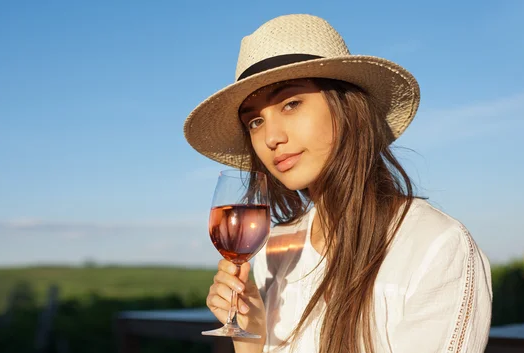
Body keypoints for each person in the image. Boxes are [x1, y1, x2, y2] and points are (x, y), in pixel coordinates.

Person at [183, 14, 493, 353]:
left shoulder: (433, 247)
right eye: (255, 121)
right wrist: (252, 331)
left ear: (347, 109)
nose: (271, 137)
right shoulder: (276, 250)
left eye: (291, 103)